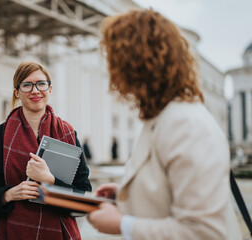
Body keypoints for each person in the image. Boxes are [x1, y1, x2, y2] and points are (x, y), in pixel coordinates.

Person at [87, 9, 242, 240]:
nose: (111, 71)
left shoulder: (185, 124)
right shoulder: (163, 117)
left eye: (115, 59)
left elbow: (205, 232)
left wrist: (123, 225)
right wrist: (125, 196)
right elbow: (170, 192)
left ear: (137, 63)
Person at [0, 61, 91, 240]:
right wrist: (8, 194)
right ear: (17, 92)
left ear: (50, 89)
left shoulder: (68, 135)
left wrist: (50, 181)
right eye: (27, 85)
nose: (35, 90)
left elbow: (84, 202)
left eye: (41, 84)